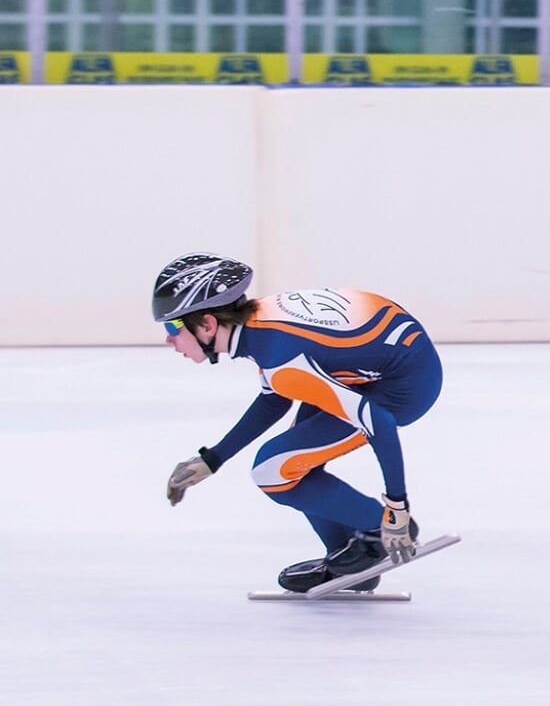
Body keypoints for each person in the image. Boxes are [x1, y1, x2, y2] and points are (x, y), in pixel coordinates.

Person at [153, 253, 443, 593]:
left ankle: (373, 533)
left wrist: (397, 510)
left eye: (173, 326)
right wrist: (213, 458)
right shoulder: (260, 328)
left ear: (207, 324)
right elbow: (274, 398)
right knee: (296, 459)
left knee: (273, 469)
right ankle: (347, 554)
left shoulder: (280, 357)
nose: (169, 340)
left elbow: (377, 420)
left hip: (403, 386)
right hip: (379, 366)